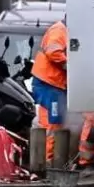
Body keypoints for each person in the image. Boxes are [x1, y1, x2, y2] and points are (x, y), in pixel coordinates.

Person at [31, 20, 68, 166]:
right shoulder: (60, 31)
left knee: (55, 122)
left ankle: (48, 161)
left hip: (51, 83)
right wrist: (70, 65)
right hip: (48, 82)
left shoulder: (62, 30)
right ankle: (47, 162)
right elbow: (53, 52)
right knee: (52, 124)